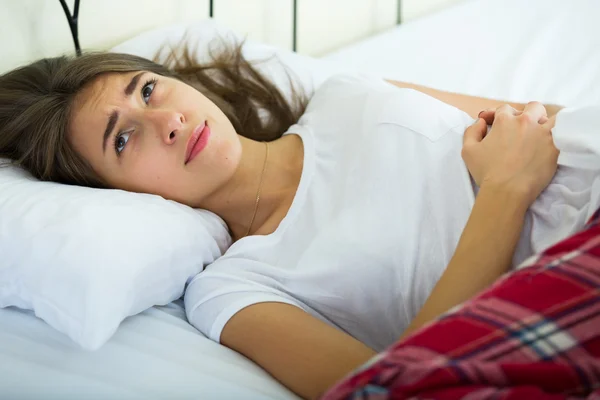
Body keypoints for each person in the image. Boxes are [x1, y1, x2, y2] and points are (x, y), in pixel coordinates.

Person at [1, 41, 586, 400]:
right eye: (123, 139)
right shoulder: (232, 291)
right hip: (565, 288)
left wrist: (531, 132)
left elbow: (539, 118)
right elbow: (400, 386)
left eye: (148, 89)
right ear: (111, 195)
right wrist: (504, 191)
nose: (168, 121)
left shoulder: (347, 93)